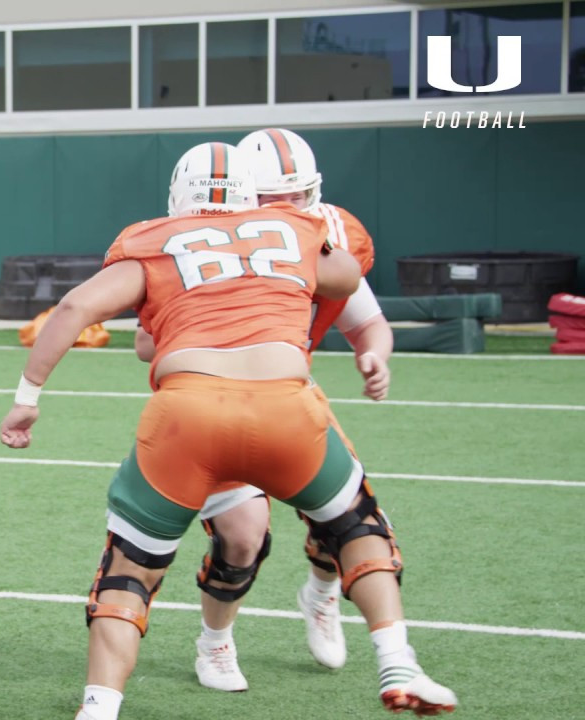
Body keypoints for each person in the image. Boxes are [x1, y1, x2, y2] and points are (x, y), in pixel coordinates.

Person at [0, 142, 456, 719]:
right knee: (356, 523)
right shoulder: (294, 228)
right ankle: (397, 660)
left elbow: (73, 309)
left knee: (130, 571)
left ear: (176, 198)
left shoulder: (149, 239)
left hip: (187, 417)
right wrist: (297, 253)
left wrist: (27, 399)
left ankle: (99, 709)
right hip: (287, 411)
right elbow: (344, 277)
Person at [132, 127, 394, 691]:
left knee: (344, 526)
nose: (287, 210)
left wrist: (375, 356)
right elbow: (146, 344)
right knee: (243, 536)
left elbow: (367, 320)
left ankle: (322, 593)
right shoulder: (198, 233)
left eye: (297, 197)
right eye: (272, 199)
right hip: (207, 400)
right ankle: (216, 641)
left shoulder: (328, 237)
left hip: (287, 400)